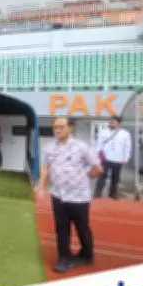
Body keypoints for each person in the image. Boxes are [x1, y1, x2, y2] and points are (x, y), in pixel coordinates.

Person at [35, 117, 102, 274]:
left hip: (79, 197)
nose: (57, 130)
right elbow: (46, 168)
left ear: (70, 128)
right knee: (61, 228)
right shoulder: (49, 147)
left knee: (82, 227)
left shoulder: (81, 147)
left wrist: (86, 177)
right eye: (55, 127)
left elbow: (98, 168)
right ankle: (64, 257)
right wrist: (41, 187)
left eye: (61, 126)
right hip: (58, 196)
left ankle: (87, 254)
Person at [94, 115, 132, 199]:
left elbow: (127, 146)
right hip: (106, 158)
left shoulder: (125, 134)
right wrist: (96, 157)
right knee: (102, 176)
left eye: (114, 122)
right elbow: (99, 144)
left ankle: (113, 194)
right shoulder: (104, 132)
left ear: (118, 123)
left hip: (118, 159)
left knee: (115, 178)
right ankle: (98, 193)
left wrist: (126, 157)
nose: (111, 123)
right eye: (111, 121)